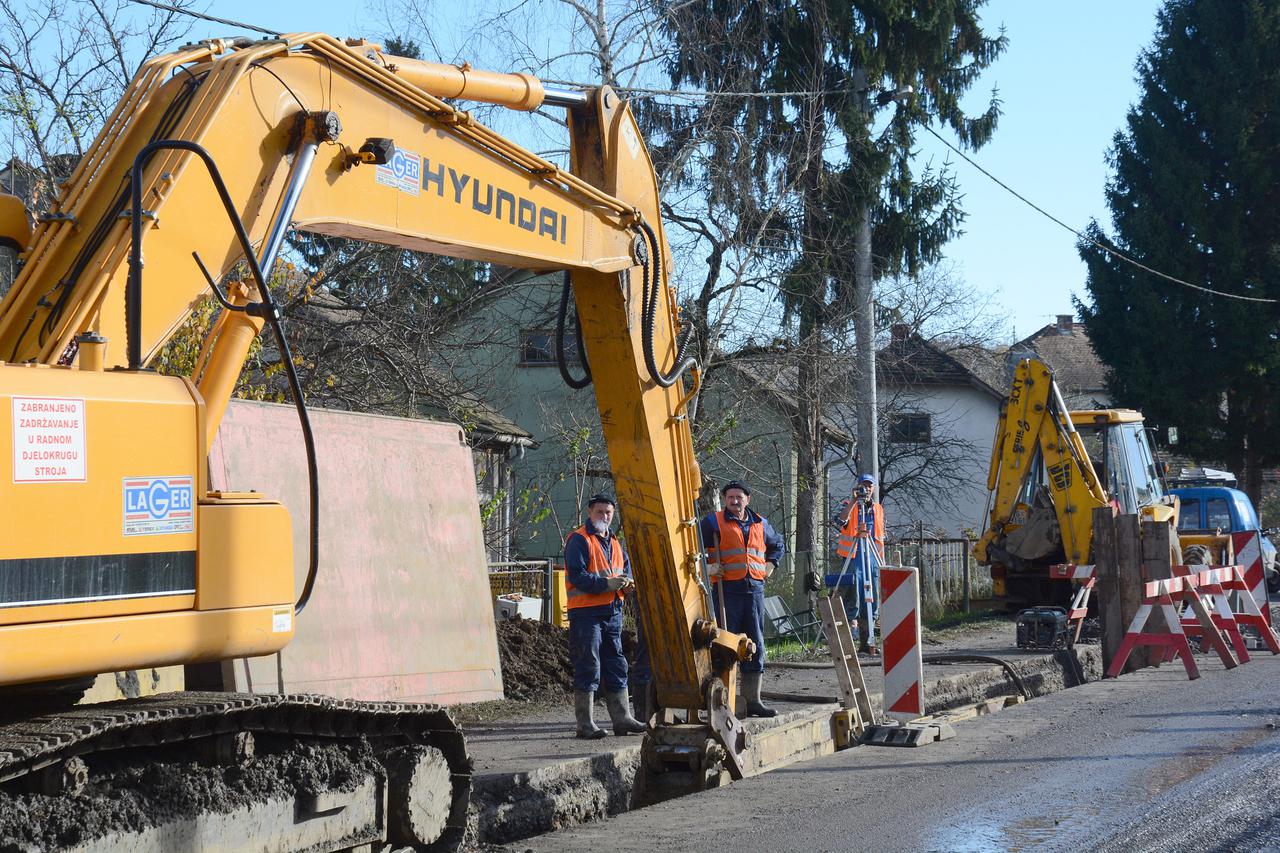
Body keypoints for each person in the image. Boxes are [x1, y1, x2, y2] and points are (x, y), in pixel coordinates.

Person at [564, 494, 647, 739]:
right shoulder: (579, 539)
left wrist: (626, 585)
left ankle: (622, 719)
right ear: (590, 513)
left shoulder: (615, 542)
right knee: (588, 664)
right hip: (586, 612)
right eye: (600, 512)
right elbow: (577, 576)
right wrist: (607, 584)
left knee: (616, 664)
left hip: (612, 612)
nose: (605, 516)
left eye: (608, 512)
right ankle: (585, 724)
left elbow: (625, 571)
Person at [700, 480, 785, 718]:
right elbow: (693, 547)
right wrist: (709, 567)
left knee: (754, 644)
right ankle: (722, 702)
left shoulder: (760, 522)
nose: (734, 501)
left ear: (748, 499)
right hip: (727, 590)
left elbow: (777, 544)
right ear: (724, 500)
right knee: (725, 644)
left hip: (754, 590)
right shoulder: (712, 522)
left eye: (739, 497)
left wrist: (771, 564)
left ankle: (752, 700)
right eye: (730, 497)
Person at [835, 473, 886, 654]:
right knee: (852, 599)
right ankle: (848, 642)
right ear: (857, 487)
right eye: (863, 485)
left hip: (872, 558)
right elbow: (840, 521)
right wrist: (853, 501)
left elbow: (880, 536)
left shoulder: (878, 509)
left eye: (870, 485)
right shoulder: (849, 506)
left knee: (870, 601)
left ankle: (868, 643)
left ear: (874, 488)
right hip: (853, 556)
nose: (867, 489)